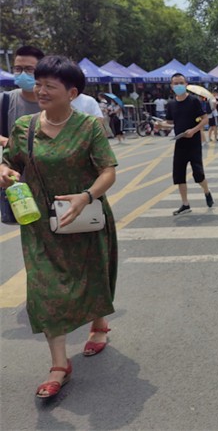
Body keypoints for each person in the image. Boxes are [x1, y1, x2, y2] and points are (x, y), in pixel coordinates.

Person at [0, 55, 118, 398]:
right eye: (38, 84)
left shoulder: (89, 127)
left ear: (72, 93)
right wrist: (5, 173)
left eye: (49, 86)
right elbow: (9, 163)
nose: (40, 91)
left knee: (92, 275)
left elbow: (108, 170)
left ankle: (99, 322)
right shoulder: (25, 127)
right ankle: (59, 365)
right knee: (45, 289)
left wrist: (86, 195)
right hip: (39, 223)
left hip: (84, 217)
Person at [0, 45, 45, 224]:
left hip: (52, 182)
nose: (22, 74)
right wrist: (7, 141)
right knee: (29, 231)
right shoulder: (5, 100)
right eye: (18, 69)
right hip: (19, 186)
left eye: (29, 69)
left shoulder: (53, 100)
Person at [163, 73, 214, 214]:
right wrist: (160, 125)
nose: (178, 85)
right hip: (180, 143)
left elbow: (205, 119)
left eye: (181, 82)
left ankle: (207, 191)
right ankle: (185, 204)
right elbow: (170, 122)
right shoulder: (171, 104)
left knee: (198, 174)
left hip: (194, 143)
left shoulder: (194, 101)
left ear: (186, 84)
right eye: (175, 83)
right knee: (179, 174)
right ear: (171, 86)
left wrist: (193, 130)